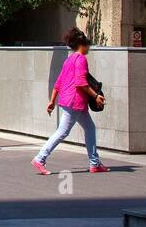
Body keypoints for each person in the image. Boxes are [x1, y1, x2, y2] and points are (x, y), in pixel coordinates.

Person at [32, 28, 108, 175]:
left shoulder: (69, 60)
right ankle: (40, 158)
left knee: (90, 128)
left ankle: (94, 163)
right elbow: (81, 82)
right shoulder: (81, 59)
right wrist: (96, 96)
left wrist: (52, 101)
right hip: (75, 101)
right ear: (82, 45)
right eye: (88, 45)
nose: (89, 48)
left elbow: (58, 82)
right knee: (63, 131)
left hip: (71, 101)